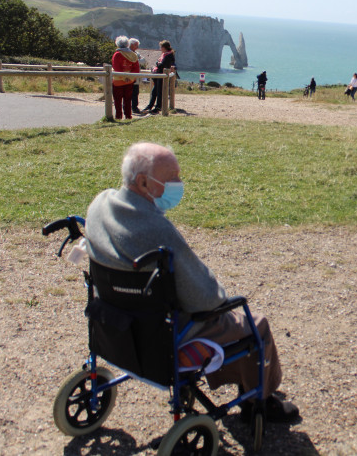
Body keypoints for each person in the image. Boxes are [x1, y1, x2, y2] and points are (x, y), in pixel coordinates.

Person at [85, 142, 299, 422]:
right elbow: (208, 300)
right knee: (254, 325)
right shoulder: (156, 231)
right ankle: (260, 400)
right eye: (172, 177)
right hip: (166, 334)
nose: (179, 184)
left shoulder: (100, 204)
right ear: (143, 181)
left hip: (116, 319)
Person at [111, 36, 140, 120]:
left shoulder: (117, 55)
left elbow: (116, 68)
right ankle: (128, 116)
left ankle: (118, 116)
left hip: (118, 80)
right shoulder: (133, 55)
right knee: (128, 99)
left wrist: (123, 77)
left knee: (117, 100)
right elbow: (136, 69)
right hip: (129, 81)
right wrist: (130, 77)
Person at [143, 40, 175, 114]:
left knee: (159, 92)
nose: (160, 49)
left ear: (164, 47)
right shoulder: (165, 55)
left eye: (161, 47)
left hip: (161, 75)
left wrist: (157, 63)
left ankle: (158, 107)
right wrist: (158, 63)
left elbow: (161, 65)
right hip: (158, 74)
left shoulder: (168, 55)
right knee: (154, 91)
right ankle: (150, 105)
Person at [128, 38, 146, 115]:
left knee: (135, 92)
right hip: (129, 75)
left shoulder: (136, 53)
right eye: (136, 45)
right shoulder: (127, 53)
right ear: (131, 45)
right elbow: (138, 61)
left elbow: (144, 61)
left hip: (135, 75)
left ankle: (134, 107)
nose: (137, 47)